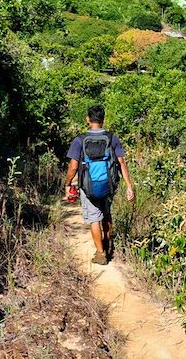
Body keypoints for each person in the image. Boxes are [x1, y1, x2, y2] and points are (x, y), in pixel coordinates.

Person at [64, 105, 135, 265]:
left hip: (88, 187)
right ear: (103, 120)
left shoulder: (79, 140)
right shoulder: (112, 138)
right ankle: (108, 245)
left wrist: (68, 183)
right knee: (106, 214)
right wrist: (129, 185)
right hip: (109, 185)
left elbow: (73, 166)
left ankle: (101, 253)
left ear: (88, 120)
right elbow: (121, 162)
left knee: (94, 218)